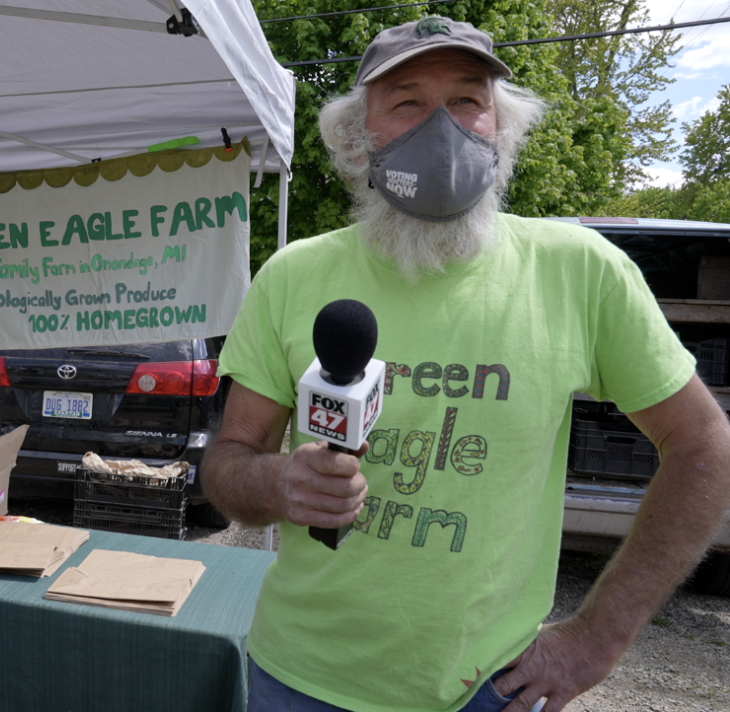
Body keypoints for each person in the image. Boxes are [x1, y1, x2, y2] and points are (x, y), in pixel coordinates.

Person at [202, 16, 730, 712]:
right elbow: (227, 463)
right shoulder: (293, 276)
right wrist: (274, 483)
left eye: (467, 100)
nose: (441, 128)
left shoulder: (580, 271)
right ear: (360, 140)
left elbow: (703, 446)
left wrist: (595, 640)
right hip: (299, 681)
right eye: (408, 102)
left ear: (500, 127)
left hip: (488, 690)